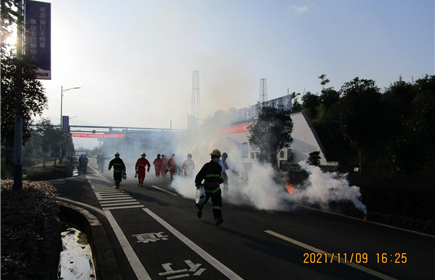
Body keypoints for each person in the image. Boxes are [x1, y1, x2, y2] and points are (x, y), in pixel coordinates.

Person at [195, 149, 224, 226]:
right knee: (202, 202)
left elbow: (218, 177)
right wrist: (198, 183)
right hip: (207, 188)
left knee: (217, 204)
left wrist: (220, 180)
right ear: (212, 157)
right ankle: (200, 209)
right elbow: (200, 175)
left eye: (218, 157)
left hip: (216, 188)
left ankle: (218, 218)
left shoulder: (219, 167)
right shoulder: (206, 166)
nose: (217, 158)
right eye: (215, 157)